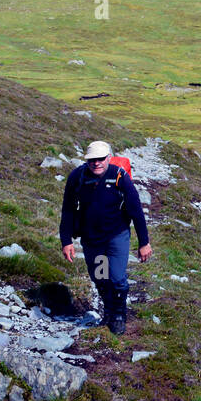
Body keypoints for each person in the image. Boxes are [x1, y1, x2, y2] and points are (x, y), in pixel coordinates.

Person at [60, 140, 152, 333]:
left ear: (108, 158)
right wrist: (66, 240)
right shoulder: (77, 177)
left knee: (117, 277)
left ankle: (119, 315)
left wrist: (144, 242)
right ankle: (109, 311)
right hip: (93, 240)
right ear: (87, 160)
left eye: (101, 159)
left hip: (116, 237)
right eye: (92, 160)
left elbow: (136, 210)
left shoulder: (120, 177)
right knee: (101, 277)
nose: (96, 163)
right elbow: (68, 210)